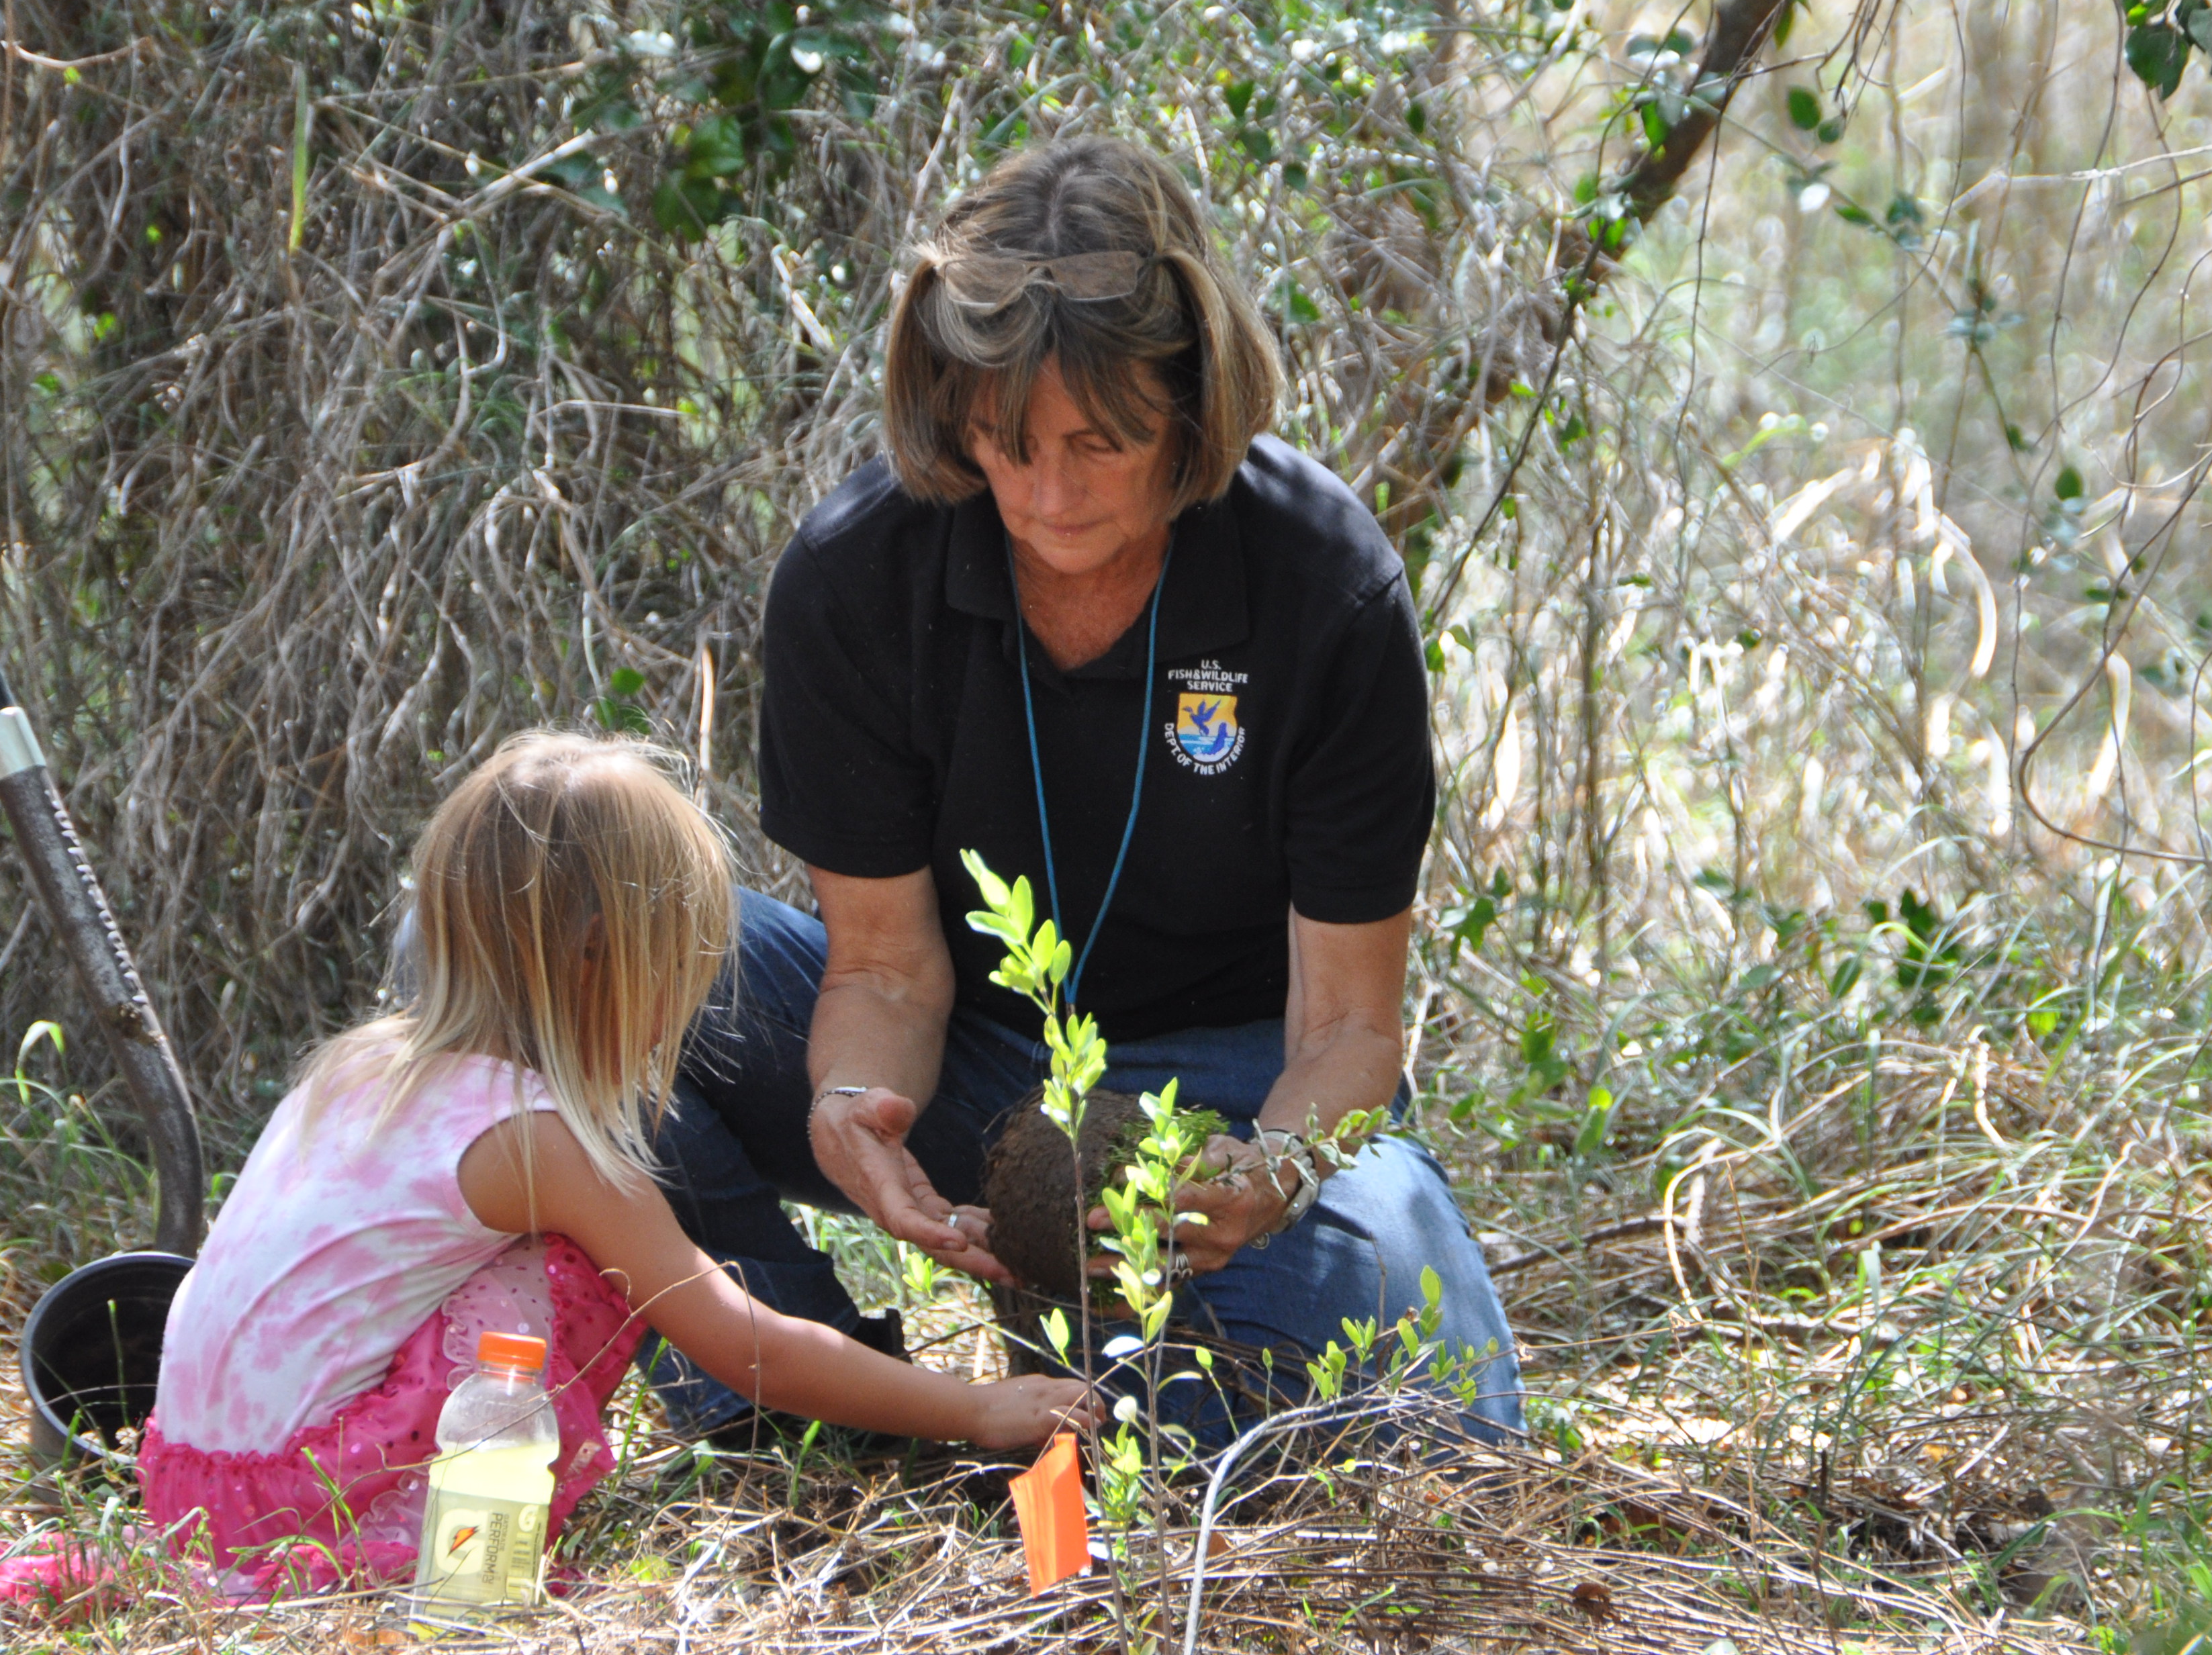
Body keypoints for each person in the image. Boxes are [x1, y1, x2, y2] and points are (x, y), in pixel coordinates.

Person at [651, 136, 1524, 1449]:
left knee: (1442, 1430)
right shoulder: (854, 579)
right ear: (949, 409)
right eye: (1003, 445)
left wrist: (1271, 1172)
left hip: (1230, 1094)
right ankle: (802, 1399)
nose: (1047, 494)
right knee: (563, 949)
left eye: (1098, 443)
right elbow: (886, 972)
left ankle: (1126, 1386)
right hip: (971, 1060)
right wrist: (848, 1108)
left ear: (1189, 403)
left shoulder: (1320, 586)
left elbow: (1349, 1026)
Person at [142, 732, 1095, 1593]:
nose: (689, 997)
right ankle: (464, 1565)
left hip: (193, 1492)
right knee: (562, 1278)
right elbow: (744, 1343)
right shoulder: (540, 1142)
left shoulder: (358, 1064)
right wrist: (972, 1410)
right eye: (685, 963)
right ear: (602, 958)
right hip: (318, 1519)